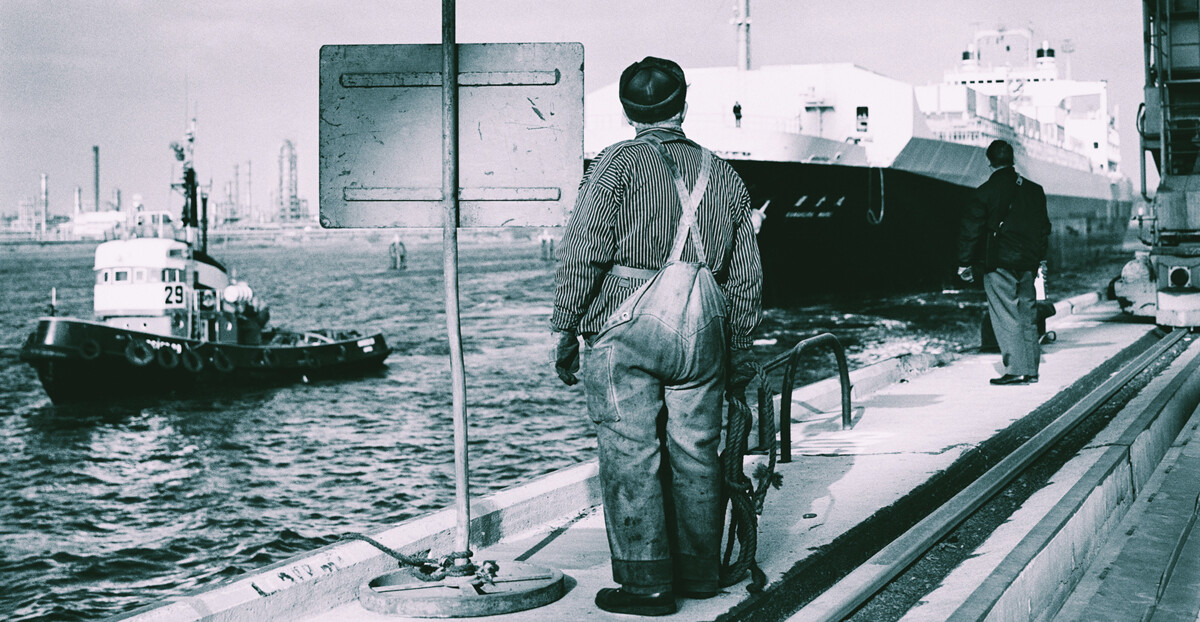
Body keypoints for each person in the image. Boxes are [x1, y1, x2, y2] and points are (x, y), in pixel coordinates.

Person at [551, 56, 762, 616]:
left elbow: (584, 254)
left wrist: (566, 328)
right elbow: (745, 276)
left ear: (627, 111)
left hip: (626, 322)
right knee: (697, 450)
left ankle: (646, 585)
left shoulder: (612, 167)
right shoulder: (724, 174)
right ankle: (700, 574)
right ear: (683, 103)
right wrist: (737, 347)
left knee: (630, 452)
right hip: (704, 326)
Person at [957, 139, 1051, 386]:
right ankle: (1031, 370)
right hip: (1028, 264)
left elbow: (971, 231)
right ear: (1013, 160)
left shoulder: (984, 193)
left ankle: (1016, 370)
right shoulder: (1034, 190)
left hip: (998, 264)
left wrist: (964, 263)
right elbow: (1044, 228)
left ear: (989, 163)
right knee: (1027, 316)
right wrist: (1038, 258)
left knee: (1006, 316)